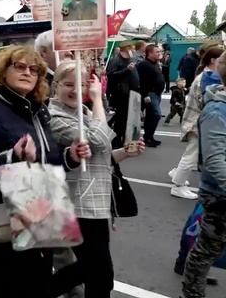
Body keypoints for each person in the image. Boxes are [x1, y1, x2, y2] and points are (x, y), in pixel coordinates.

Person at [0, 45, 90, 297]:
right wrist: (11, 155)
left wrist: (69, 157)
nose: (28, 72)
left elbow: (46, 158)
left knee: (39, 283)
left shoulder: (37, 108)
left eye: (34, 69)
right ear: (4, 71)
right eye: (20, 66)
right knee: (16, 287)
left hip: (38, 201)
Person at [48, 61, 145, 298]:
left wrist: (126, 153)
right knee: (99, 273)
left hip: (98, 202)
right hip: (76, 203)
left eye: (80, 85)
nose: (74, 90)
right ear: (55, 86)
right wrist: (99, 99)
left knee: (95, 272)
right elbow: (100, 140)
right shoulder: (54, 116)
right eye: (68, 84)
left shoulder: (85, 113)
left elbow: (102, 155)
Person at [182, 52, 226, 298]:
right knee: (205, 251)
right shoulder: (217, 110)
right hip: (220, 195)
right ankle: (191, 294)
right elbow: (214, 160)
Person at [169, 46, 225, 200]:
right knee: (192, 156)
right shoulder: (209, 76)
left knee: (192, 154)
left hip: (196, 120)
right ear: (214, 60)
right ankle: (178, 185)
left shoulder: (206, 74)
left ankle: (177, 174)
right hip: (198, 122)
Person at [106, 42, 140, 148]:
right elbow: (111, 76)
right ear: (126, 49)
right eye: (132, 48)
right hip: (121, 94)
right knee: (121, 120)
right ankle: (116, 142)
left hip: (131, 94)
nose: (133, 51)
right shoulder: (115, 61)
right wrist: (127, 70)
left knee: (125, 119)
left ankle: (123, 139)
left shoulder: (130, 60)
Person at [137, 45, 165, 147]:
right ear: (150, 53)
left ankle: (148, 137)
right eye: (157, 52)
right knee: (156, 114)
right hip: (150, 93)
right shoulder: (144, 65)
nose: (159, 53)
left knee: (150, 116)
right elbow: (141, 81)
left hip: (156, 93)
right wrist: (145, 95)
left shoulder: (155, 64)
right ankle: (147, 137)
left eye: (159, 51)